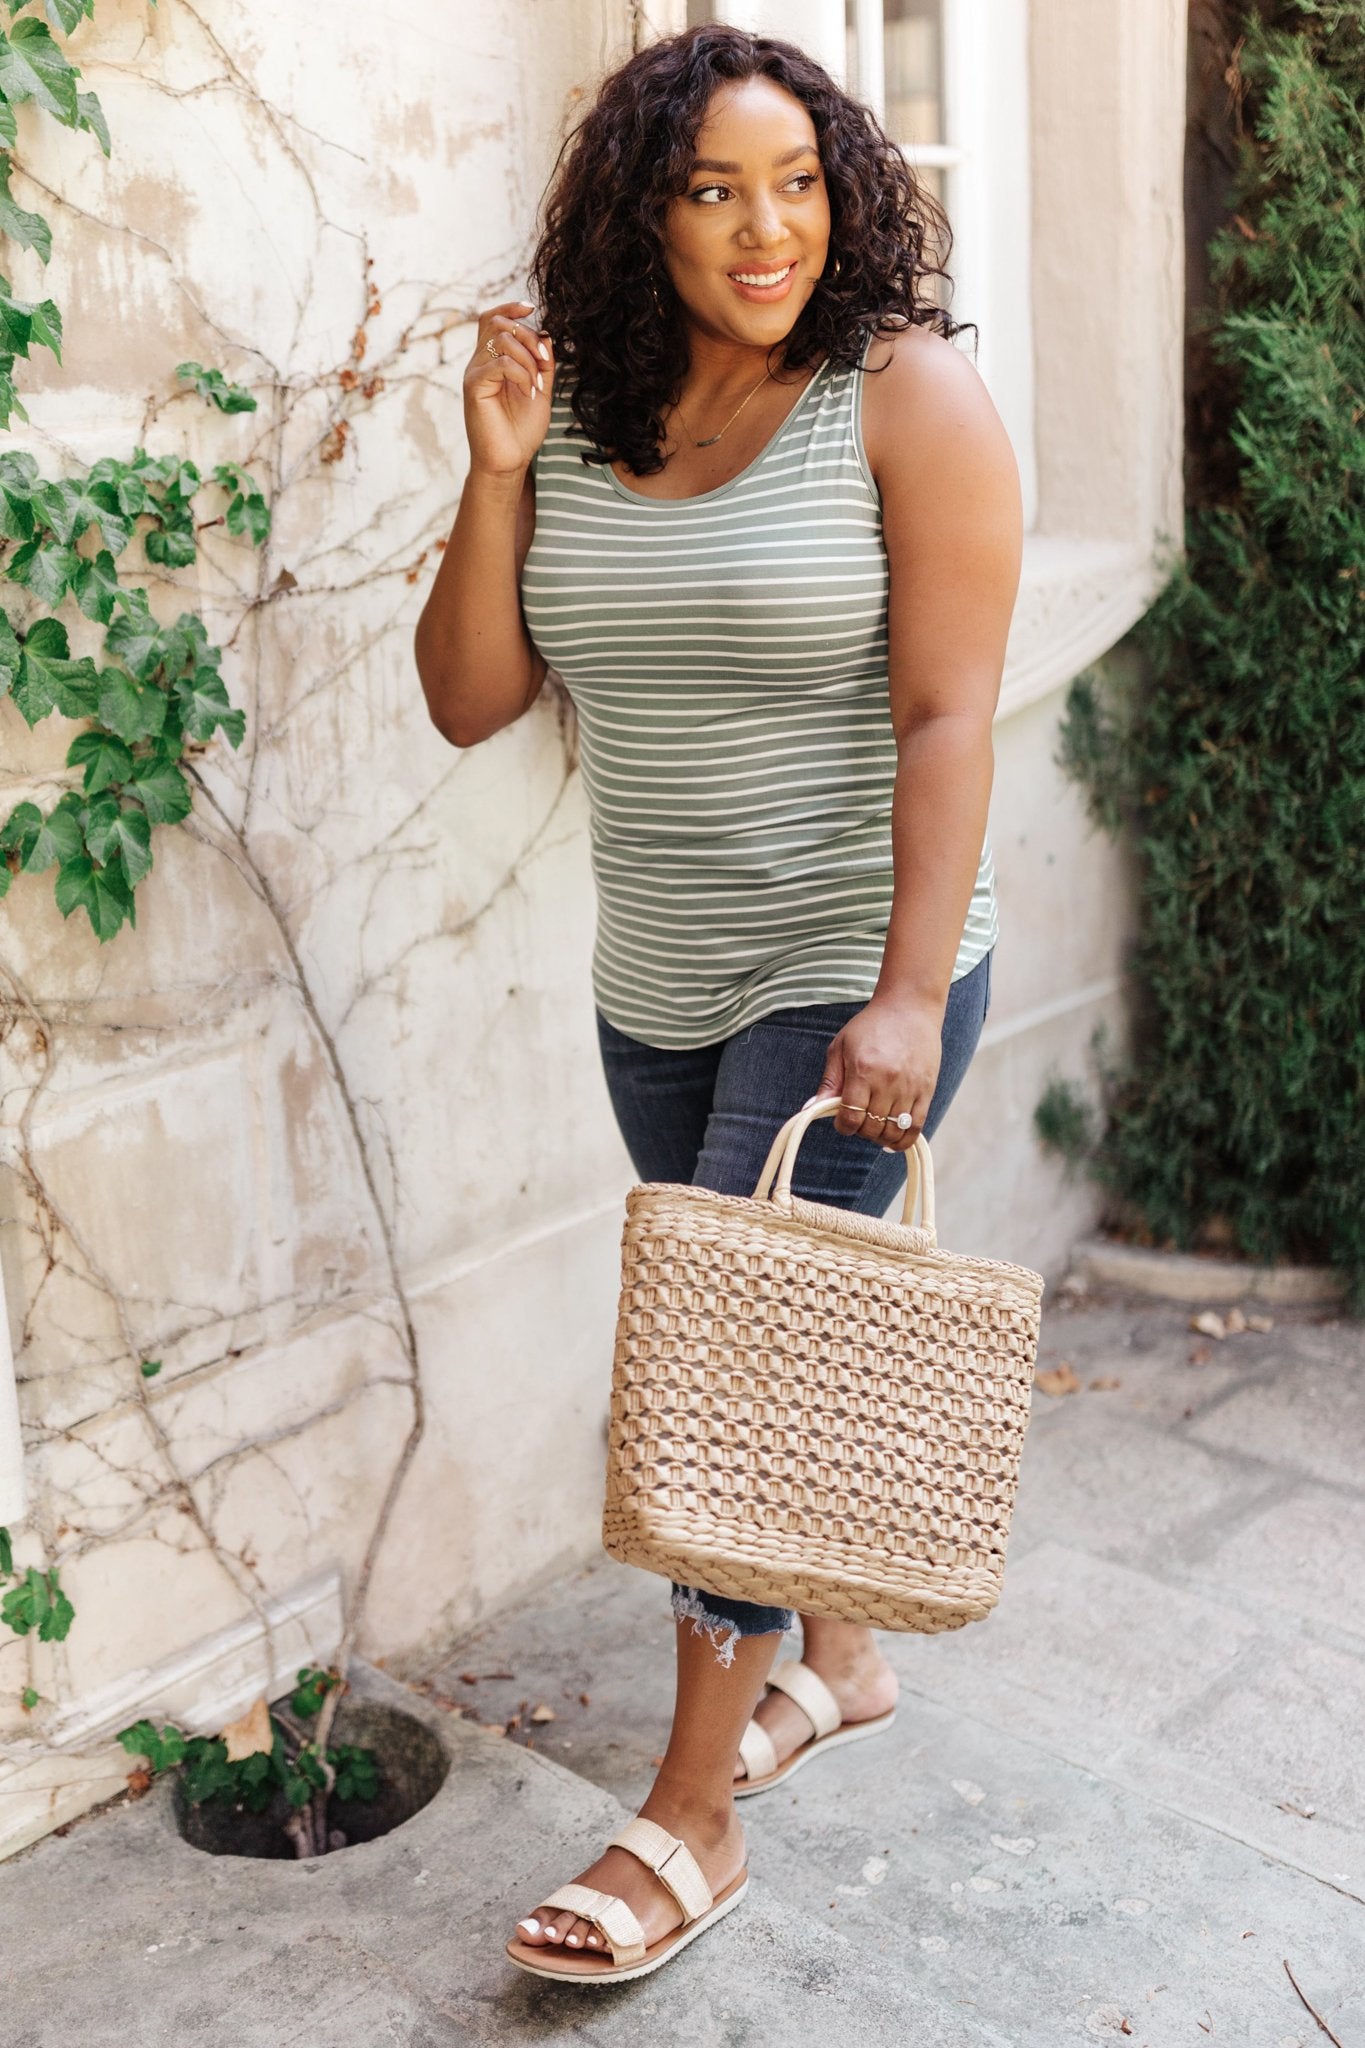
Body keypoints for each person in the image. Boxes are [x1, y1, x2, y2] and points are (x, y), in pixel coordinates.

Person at [414, 22, 1022, 1986]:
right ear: (640, 212)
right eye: (710, 188)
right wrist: (493, 471)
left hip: (851, 961)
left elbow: (946, 710)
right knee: (741, 1356)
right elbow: (469, 692)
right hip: (652, 978)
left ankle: (687, 1810)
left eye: (792, 179)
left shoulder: (902, 395)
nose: (765, 226)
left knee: (729, 1404)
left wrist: (912, 995)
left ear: (838, 184)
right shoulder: (582, 409)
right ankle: (828, 1662)